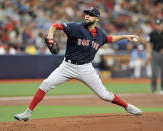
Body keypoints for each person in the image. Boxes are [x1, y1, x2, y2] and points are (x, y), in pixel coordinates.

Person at [14, 7, 142, 121]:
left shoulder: (100, 35)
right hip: (67, 66)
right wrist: (51, 37)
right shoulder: (76, 27)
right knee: (46, 84)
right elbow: (55, 25)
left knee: (104, 95)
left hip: (86, 68)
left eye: (90, 14)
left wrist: (125, 36)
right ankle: (28, 113)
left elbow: (109, 39)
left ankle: (127, 106)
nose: (87, 16)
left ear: (97, 19)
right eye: (86, 13)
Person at [147, 18, 163, 94]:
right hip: (154, 53)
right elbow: (148, 44)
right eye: (157, 25)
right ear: (155, 25)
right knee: (154, 72)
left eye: (159, 24)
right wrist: (148, 53)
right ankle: (153, 88)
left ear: (162, 24)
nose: (158, 26)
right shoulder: (152, 33)